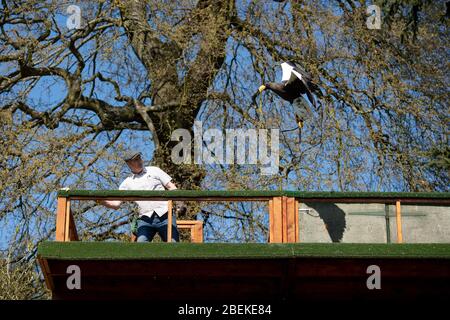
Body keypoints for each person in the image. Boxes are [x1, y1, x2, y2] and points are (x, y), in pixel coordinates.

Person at [98, 151, 183, 242]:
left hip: (165, 215)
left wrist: (179, 204)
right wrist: (100, 201)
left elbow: (171, 187)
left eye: (139, 158)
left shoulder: (154, 170)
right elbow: (116, 204)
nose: (140, 161)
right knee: (141, 244)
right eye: (136, 160)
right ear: (129, 163)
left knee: (173, 243)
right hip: (145, 219)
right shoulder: (127, 183)